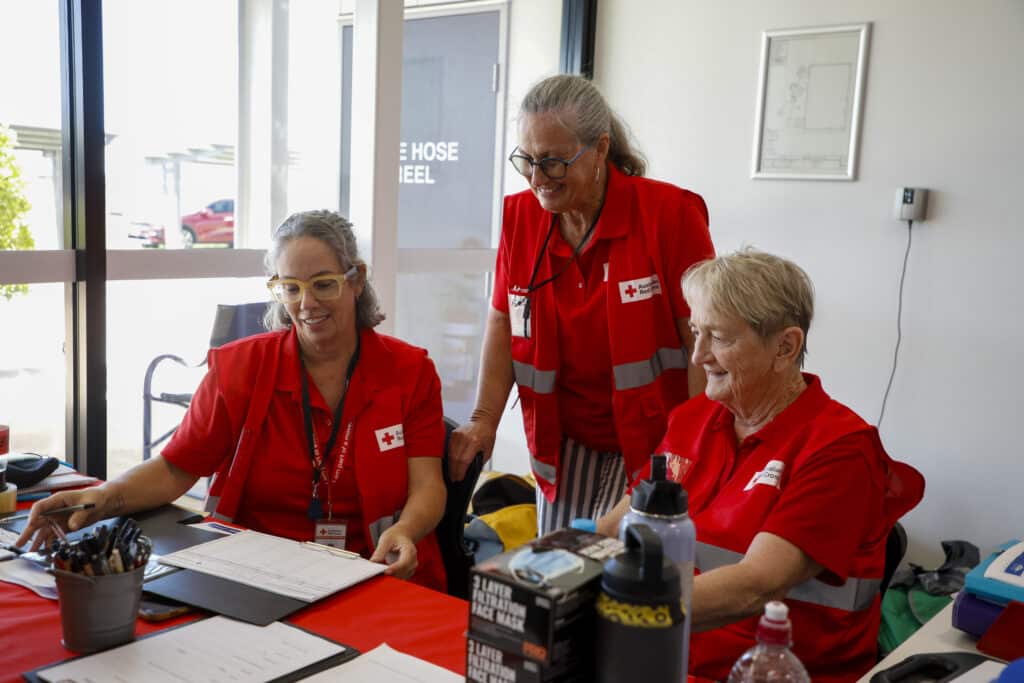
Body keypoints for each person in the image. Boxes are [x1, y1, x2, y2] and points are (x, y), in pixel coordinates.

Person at [18, 210, 448, 591]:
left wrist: (407, 530)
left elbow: (428, 486)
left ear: (356, 279)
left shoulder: (410, 370)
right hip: (261, 576)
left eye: (323, 284)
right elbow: (175, 468)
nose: (306, 304)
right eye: (290, 288)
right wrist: (102, 498)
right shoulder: (240, 368)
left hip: (376, 571)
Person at [597, 249, 925, 682]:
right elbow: (612, 530)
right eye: (696, 332)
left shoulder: (840, 450)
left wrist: (616, 609)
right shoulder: (692, 419)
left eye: (719, 337)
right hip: (670, 661)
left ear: (785, 347)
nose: (698, 356)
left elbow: (757, 585)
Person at [447, 74, 715, 534]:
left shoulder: (670, 215)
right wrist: (484, 418)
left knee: (619, 561)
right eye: (527, 161)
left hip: (659, 441)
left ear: (600, 149)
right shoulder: (521, 217)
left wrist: (692, 445)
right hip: (565, 443)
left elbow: (704, 342)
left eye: (553, 162)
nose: (537, 179)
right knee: (559, 563)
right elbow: (503, 320)